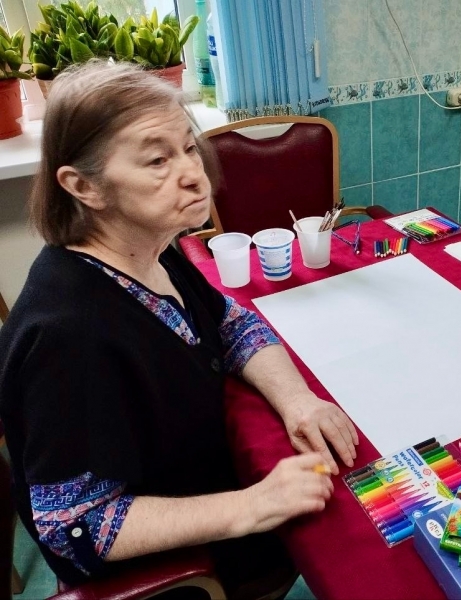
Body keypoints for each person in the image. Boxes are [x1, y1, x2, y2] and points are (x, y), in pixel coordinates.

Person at [0, 61, 359, 598]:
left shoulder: (149, 247)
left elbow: (232, 323)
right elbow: (75, 526)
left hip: (205, 474)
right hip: (179, 564)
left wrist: (297, 400)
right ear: (83, 186)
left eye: (188, 148)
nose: (193, 173)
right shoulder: (67, 336)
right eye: (157, 160)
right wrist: (251, 506)